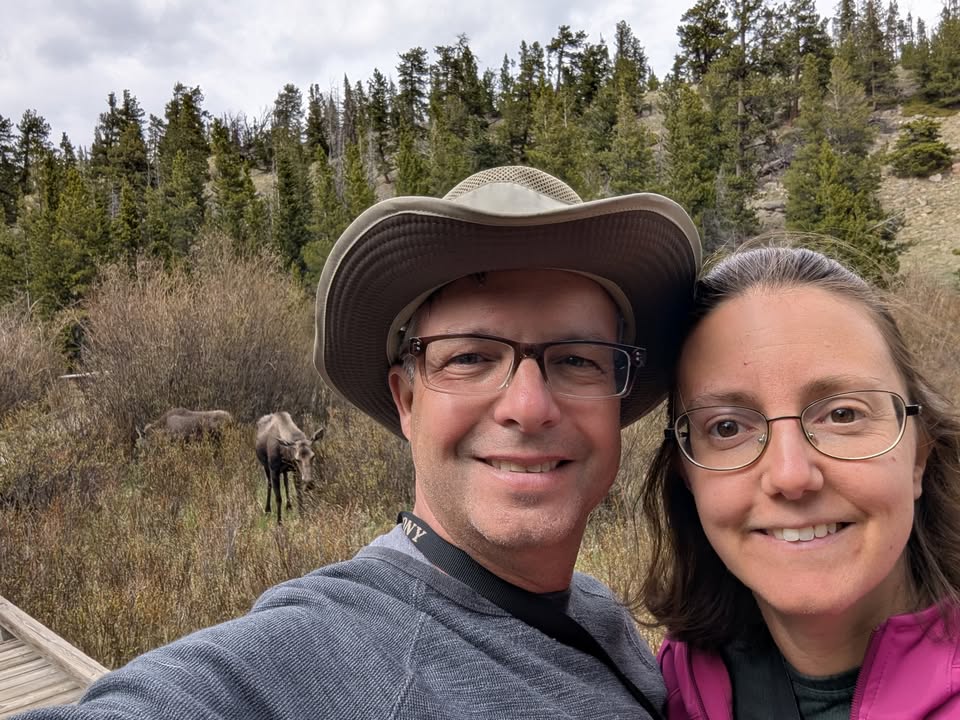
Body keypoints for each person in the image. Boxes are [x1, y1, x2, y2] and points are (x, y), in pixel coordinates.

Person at [14, 166, 701, 719]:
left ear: (617, 397)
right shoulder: (321, 652)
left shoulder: (603, 613)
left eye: (578, 359)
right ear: (407, 401)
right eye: (469, 357)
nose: (527, 407)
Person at [639, 245, 960, 719]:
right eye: (727, 427)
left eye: (843, 415)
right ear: (687, 475)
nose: (791, 475)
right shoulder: (675, 685)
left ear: (919, 455)